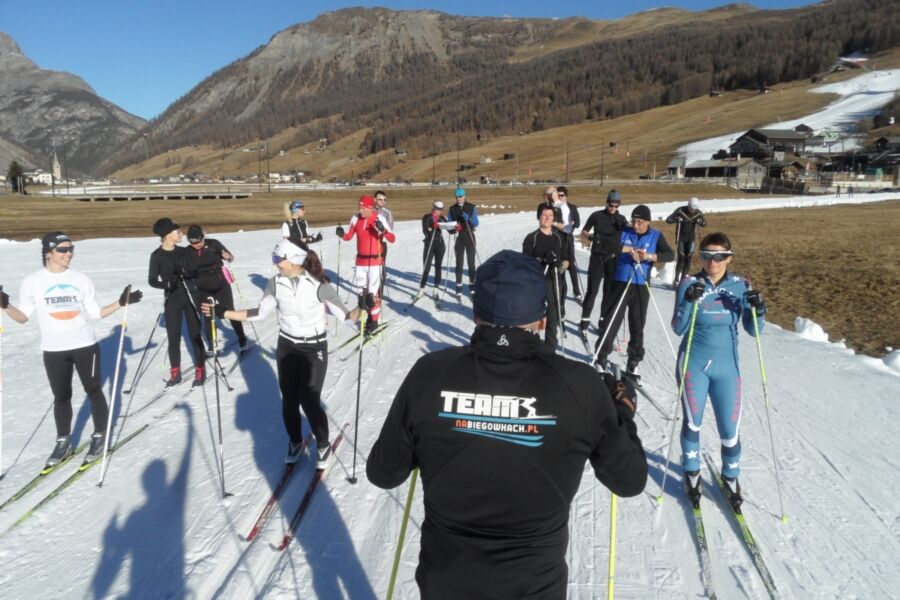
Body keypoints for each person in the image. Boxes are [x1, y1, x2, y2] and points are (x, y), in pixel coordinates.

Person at [366, 249, 647, 600]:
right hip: (534, 585)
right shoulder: (581, 384)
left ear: (474, 313)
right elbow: (629, 479)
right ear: (543, 319)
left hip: (447, 580)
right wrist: (622, 415)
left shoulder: (430, 373)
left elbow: (383, 472)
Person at [203, 239, 360, 467]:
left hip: (313, 348)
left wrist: (363, 307)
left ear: (294, 259)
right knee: (289, 401)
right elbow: (259, 313)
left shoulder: (319, 285)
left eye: (279, 259)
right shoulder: (274, 283)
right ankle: (295, 441)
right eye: (274, 259)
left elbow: (347, 317)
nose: (276, 264)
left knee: (310, 401)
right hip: (287, 346)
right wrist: (223, 313)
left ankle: (323, 444)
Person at [1, 232, 142, 469]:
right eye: (63, 250)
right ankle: (63, 440)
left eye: (71, 248)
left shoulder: (81, 279)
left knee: (94, 390)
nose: (69, 253)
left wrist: (121, 302)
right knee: (61, 396)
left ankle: (100, 435)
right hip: (54, 349)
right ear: (48, 252)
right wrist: (5, 305)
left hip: (85, 345)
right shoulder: (33, 281)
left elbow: (96, 313)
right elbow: (23, 317)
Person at [671, 232, 766, 510]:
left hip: (727, 369)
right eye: (707, 256)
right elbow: (678, 328)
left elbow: (754, 330)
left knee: (730, 430)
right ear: (700, 257)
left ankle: (730, 476)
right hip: (694, 364)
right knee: (692, 422)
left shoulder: (741, 285)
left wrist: (759, 309)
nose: (713, 262)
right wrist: (688, 300)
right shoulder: (689, 283)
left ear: (729, 258)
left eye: (719, 256)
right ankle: (691, 471)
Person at [594, 204, 674, 378]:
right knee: (612, 320)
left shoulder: (656, 236)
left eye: (639, 221)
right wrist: (628, 250)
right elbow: (605, 244)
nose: (635, 225)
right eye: (633, 220)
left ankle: (633, 361)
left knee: (637, 324)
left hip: (640, 284)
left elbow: (670, 255)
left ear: (647, 221)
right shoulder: (625, 232)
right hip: (621, 281)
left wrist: (649, 256)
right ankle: (601, 356)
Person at [148, 218, 206, 387]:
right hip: (172, 299)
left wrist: (186, 271)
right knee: (173, 337)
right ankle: (175, 372)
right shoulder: (156, 256)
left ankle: (200, 369)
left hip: (189, 297)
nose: (181, 234)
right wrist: (165, 284)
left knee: (195, 334)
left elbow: (195, 271)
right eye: (177, 232)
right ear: (167, 235)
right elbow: (152, 280)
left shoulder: (184, 252)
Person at [182, 224, 248, 354]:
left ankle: (242, 338)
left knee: (230, 311)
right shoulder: (187, 252)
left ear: (203, 237)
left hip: (221, 285)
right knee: (207, 315)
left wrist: (228, 257)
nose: (196, 245)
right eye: (192, 243)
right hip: (202, 288)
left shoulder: (214, 244)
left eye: (199, 242)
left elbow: (230, 257)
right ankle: (212, 345)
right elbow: (185, 270)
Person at [336, 195, 395, 334]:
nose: (360, 210)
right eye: (359, 207)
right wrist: (342, 234)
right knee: (362, 296)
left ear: (370, 208)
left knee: (371, 296)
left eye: (363, 208)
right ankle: (368, 316)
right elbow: (349, 236)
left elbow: (392, 238)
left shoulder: (378, 218)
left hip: (375, 262)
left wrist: (383, 230)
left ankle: (373, 321)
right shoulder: (355, 218)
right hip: (360, 262)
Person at [578, 189, 628, 340]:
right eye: (611, 205)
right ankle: (584, 323)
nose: (613, 208)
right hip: (598, 258)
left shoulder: (621, 219)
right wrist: (591, 236)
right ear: (606, 203)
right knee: (592, 291)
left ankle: (603, 322)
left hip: (613, 259)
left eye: (616, 206)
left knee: (608, 292)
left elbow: (630, 231)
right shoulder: (597, 216)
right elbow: (584, 231)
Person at [522, 203, 572, 350]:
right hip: (536, 281)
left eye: (550, 216)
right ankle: (533, 342)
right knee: (535, 313)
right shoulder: (532, 238)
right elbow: (525, 262)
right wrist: (542, 261)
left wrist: (559, 264)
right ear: (539, 217)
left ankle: (550, 347)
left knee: (553, 313)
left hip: (553, 280)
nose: (547, 218)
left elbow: (567, 261)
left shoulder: (558, 238)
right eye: (544, 215)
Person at [665, 197, 707, 285]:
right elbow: (668, 220)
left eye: (694, 209)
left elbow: (704, 223)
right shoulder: (680, 210)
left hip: (691, 239)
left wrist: (700, 222)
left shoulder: (698, 213)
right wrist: (676, 219)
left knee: (688, 259)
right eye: (691, 208)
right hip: (681, 238)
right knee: (681, 258)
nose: (692, 210)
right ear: (688, 205)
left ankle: (683, 279)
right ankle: (676, 279)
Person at [447, 187, 479, 299]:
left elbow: (476, 222)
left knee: (471, 262)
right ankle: (459, 286)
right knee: (459, 262)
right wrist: (452, 229)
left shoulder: (472, 207)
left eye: (460, 197)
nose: (458, 199)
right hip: (460, 237)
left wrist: (468, 218)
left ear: (464, 196)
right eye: (456, 197)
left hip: (470, 235)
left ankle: (472, 285)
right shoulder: (452, 209)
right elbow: (449, 225)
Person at [552, 185, 582, 300]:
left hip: (568, 239)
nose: (560, 198)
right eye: (558, 196)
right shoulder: (555, 208)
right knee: (561, 266)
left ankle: (577, 291)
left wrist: (573, 224)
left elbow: (578, 222)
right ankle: (561, 291)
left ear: (566, 196)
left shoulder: (572, 207)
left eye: (562, 196)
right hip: (558, 240)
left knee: (571, 265)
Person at [417, 201, 450, 300]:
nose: (439, 211)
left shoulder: (442, 218)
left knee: (438, 266)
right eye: (437, 209)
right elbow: (425, 230)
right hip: (429, 244)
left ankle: (436, 288)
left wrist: (455, 228)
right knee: (426, 266)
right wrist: (432, 226)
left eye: (441, 209)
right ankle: (422, 288)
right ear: (433, 208)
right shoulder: (427, 217)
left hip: (440, 244)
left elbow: (450, 229)